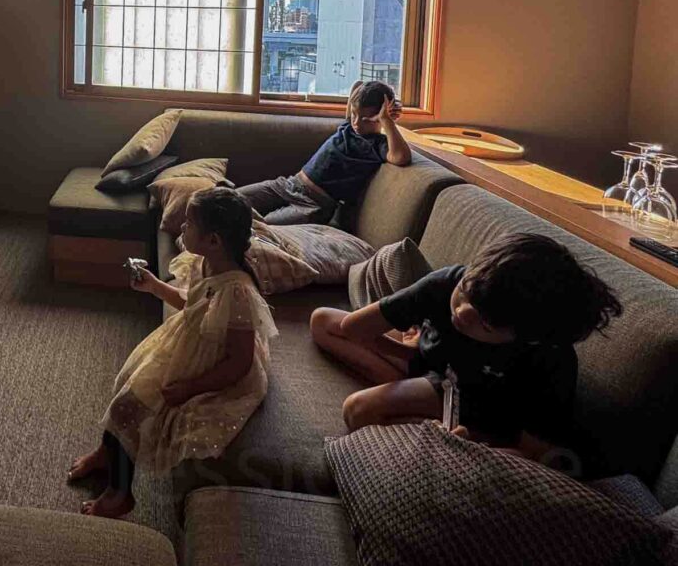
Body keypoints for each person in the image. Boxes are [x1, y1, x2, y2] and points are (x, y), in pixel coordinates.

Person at [310, 233, 622, 465]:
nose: (461, 313)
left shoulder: (549, 357)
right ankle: (407, 391)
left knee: (358, 409)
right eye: (465, 292)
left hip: (474, 400)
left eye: (485, 324)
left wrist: (478, 444)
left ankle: (444, 435)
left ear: (526, 337)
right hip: (433, 363)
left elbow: (535, 450)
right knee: (323, 321)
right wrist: (408, 353)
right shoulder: (448, 281)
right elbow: (353, 327)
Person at [67, 188, 277, 518]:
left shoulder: (237, 292)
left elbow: (239, 361)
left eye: (189, 223)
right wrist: (154, 286)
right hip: (186, 340)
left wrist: (191, 388)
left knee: (130, 405)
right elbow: (192, 302)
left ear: (213, 240)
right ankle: (106, 453)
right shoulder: (209, 263)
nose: (181, 228)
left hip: (209, 365)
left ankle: (119, 493)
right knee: (126, 383)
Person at [236, 80, 412, 227]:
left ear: (379, 117)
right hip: (288, 185)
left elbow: (401, 157)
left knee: (263, 227)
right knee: (232, 200)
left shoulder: (377, 144)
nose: (357, 122)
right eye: (353, 114)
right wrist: (385, 103)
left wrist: (387, 120)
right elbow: (357, 85)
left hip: (313, 205)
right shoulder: (348, 127)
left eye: (366, 119)